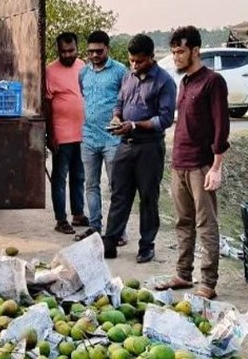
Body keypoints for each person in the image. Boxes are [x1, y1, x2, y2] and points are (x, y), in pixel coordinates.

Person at [155, 26, 230, 299]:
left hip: (202, 165)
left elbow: (222, 127)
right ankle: (183, 274)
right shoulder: (185, 81)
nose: (175, 57)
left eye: (180, 51)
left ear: (195, 51)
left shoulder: (213, 82)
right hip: (179, 163)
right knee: (182, 222)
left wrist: (216, 167)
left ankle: (208, 282)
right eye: (173, 52)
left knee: (206, 224)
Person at [102, 34, 177, 262]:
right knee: (119, 195)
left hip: (149, 148)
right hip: (125, 145)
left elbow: (164, 119)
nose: (135, 65)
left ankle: (147, 245)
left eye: (140, 61)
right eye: (131, 60)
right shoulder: (128, 77)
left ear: (152, 58)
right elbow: (119, 103)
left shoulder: (164, 82)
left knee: (148, 197)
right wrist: (117, 118)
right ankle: (110, 241)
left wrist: (134, 124)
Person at [75, 30, 129, 243]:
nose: (94, 55)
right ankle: (95, 228)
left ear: (108, 49)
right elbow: (84, 95)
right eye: (90, 52)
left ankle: (118, 231)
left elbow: (127, 99)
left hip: (112, 138)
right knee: (90, 184)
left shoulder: (120, 72)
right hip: (88, 137)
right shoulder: (84, 73)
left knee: (116, 186)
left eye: (99, 51)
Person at [44, 32, 89, 234]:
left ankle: (78, 214)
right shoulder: (50, 71)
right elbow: (46, 104)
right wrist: (50, 134)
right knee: (60, 177)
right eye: (64, 51)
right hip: (61, 136)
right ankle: (61, 219)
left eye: (71, 51)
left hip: (83, 134)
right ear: (58, 50)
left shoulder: (84, 67)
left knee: (79, 176)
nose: (68, 55)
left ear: (77, 49)